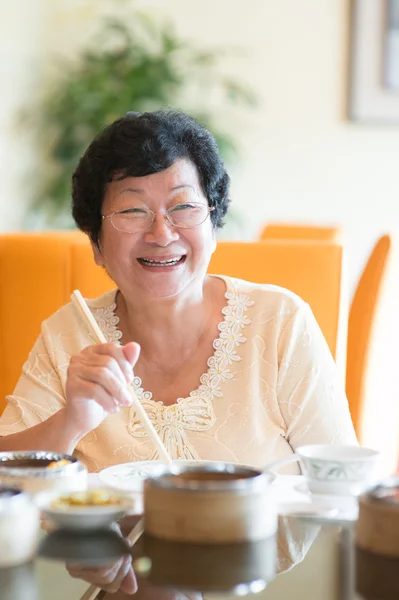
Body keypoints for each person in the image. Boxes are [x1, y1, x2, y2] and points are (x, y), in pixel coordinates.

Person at [0, 109, 357, 472]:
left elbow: (341, 484)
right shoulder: (69, 335)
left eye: (183, 206)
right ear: (96, 244)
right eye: (133, 210)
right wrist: (71, 421)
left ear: (214, 228)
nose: (162, 234)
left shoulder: (281, 323)